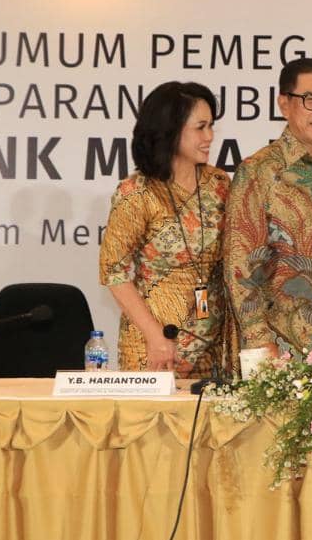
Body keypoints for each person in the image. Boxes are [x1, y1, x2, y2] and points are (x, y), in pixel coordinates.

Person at [224, 58, 312, 355]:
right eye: (311, 100)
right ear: (284, 104)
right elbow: (241, 265)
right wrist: (259, 339)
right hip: (285, 348)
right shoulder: (259, 171)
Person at [99, 81, 231, 376]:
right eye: (200, 127)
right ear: (170, 131)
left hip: (212, 344)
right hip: (156, 344)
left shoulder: (219, 184)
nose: (209, 136)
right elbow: (113, 271)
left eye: (211, 126)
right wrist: (154, 335)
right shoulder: (137, 192)